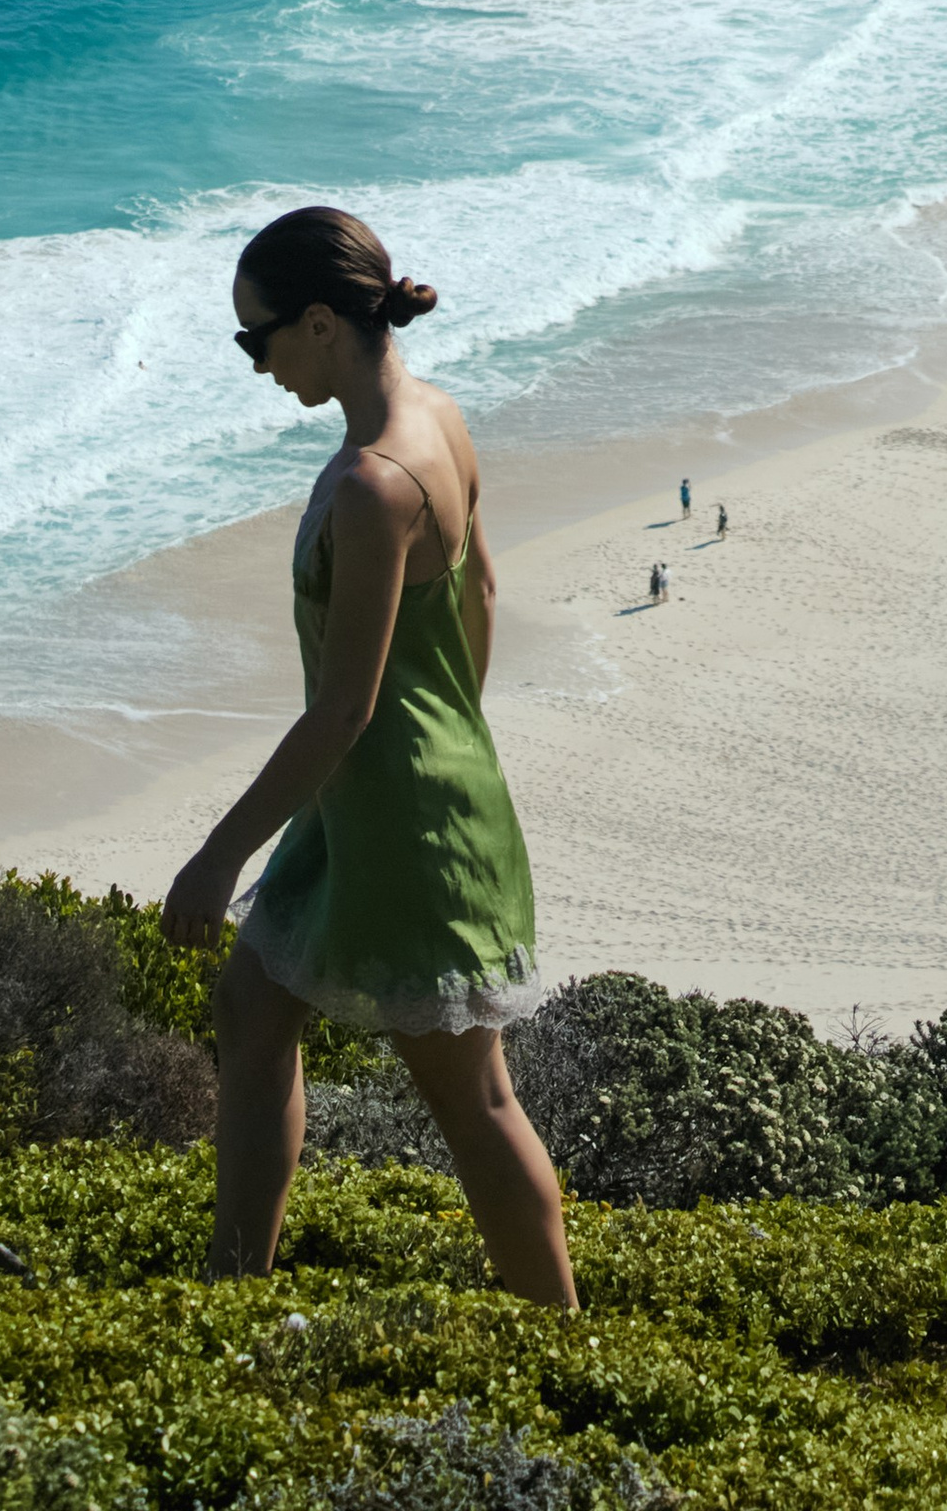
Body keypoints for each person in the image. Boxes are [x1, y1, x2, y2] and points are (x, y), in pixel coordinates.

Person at [162, 203, 574, 1306]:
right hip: (392, 791)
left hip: (401, 813)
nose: (255, 366)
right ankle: (231, 1281)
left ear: (316, 323)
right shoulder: (436, 416)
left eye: (256, 339)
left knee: (469, 1096)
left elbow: (342, 711)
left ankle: (574, 1352)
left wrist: (215, 857)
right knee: (253, 1007)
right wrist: (447, 732)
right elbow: (482, 589)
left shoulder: (369, 485)